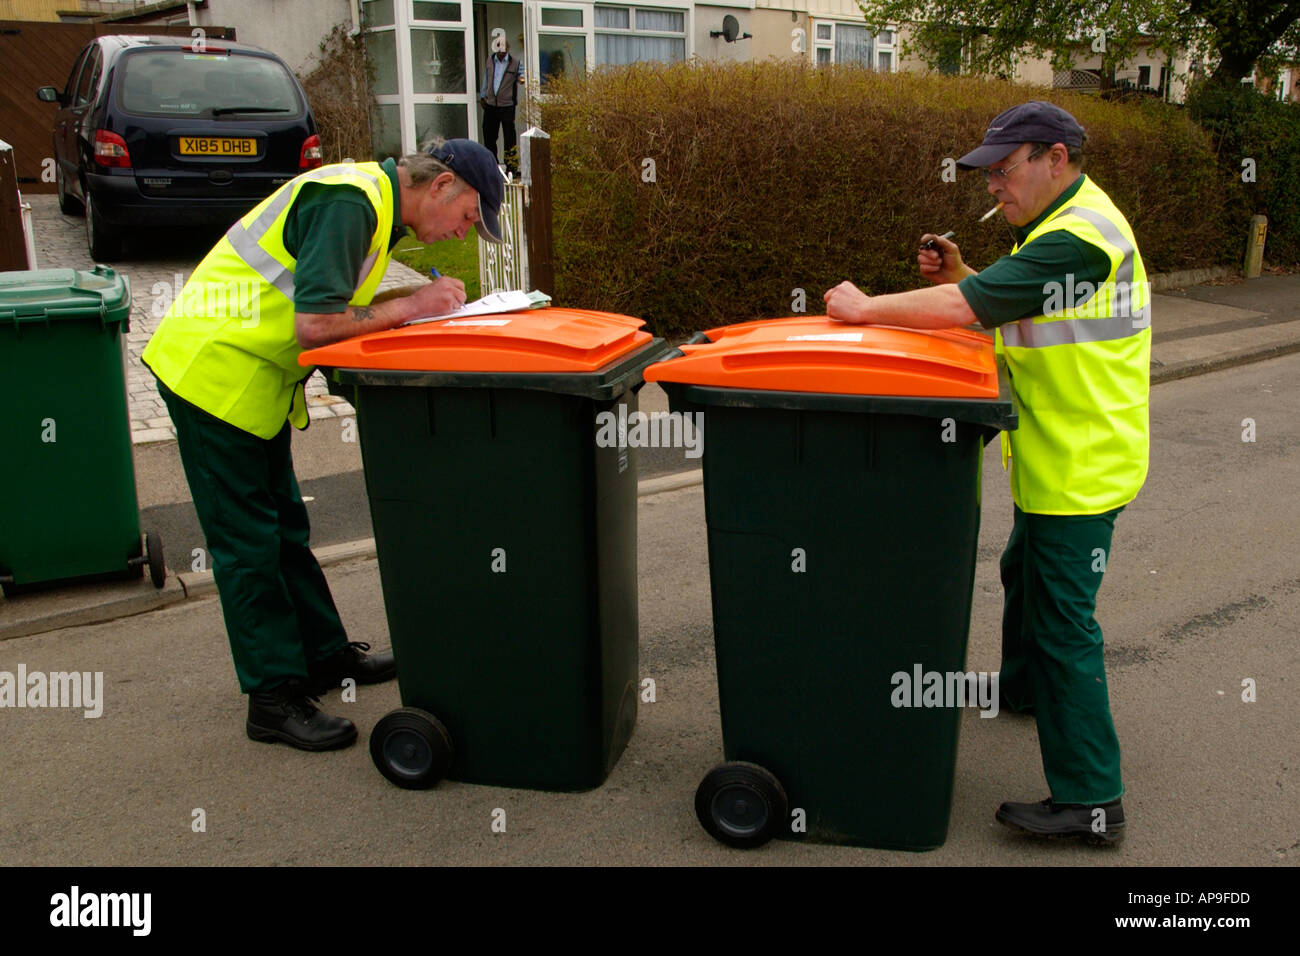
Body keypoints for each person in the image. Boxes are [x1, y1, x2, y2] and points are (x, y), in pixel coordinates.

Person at [824, 101, 1150, 845]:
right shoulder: (1058, 228)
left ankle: (1093, 801)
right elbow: (1009, 297)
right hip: (1061, 453)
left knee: (1065, 623)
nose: (993, 186)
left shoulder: (1078, 238)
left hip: (1083, 463)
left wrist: (868, 309)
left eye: (1005, 170)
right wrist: (969, 271)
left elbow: (973, 309)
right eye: (990, 172)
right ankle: (1023, 688)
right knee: (1021, 572)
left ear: (1056, 159)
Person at [142, 138, 504, 752]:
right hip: (211, 377)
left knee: (284, 527)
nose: (462, 233)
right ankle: (273, 699)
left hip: (250, 384)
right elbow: (314, 326)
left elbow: (330, 310)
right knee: (247, 545)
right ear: (440, 186)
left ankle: (325, 658)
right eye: (469, 215)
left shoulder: (375, 206)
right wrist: (413, 303)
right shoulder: (349, 201)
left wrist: (411, 310)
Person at [479, 32, 522, 173]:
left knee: (509, 137)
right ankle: (492, 165)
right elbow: (487, 78)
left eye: (503, 49)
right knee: (489, 136)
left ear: (507, 48)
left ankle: (511, 167)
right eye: (498, 48)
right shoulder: (490, 61)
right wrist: (483, 95)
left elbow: (522, 76)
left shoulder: (515, 63)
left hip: (507, 105)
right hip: (491, 104)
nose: (501, 52)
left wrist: (522, 79)